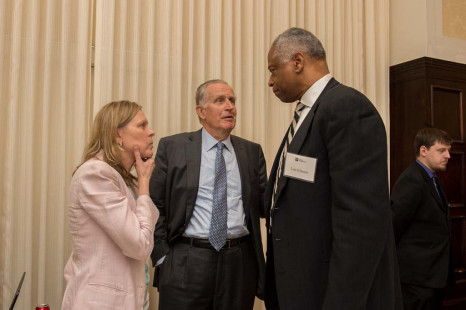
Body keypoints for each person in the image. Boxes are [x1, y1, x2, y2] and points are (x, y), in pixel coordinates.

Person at [264, 27, 402, 309]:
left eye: (274, 70)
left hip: (329, 291)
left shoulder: (346, 107)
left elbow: (360, 224)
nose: (270, 81)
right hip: (303, 286)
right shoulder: (310, 114)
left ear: (298, 62)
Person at [149, 79, 267, 310]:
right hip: (187, 259)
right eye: (220, 100)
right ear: (201, 111)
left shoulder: (252, 152)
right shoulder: (173, 147)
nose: (230, 106)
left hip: (238, 261)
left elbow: (263, 204)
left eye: (232, 100)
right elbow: (154, 204)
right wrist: (163, 256)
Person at [61, 101, 159, 310]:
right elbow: (140, 246)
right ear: (118, 136)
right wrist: (143, 185)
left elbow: (148, 234)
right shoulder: (95, 174)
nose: (151, 132)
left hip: (134, 298)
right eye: (142, 126)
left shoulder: (127, 181)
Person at [391, 127, 453, 309]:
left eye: (448, 150)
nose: (448, 155)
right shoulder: (412, 180)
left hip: (432, 276)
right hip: (416, 280)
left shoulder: (435, 179)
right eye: (441, 150)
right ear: (423, 150)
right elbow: (393, 226)